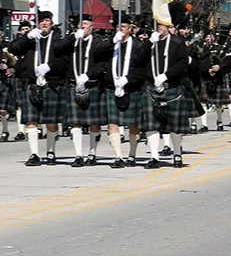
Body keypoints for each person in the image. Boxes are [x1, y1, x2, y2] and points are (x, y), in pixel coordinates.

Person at [9, 10, 72, 166]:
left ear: (51, 23)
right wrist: (27, 37)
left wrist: (49, 67)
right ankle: (34, 154)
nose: (44, 23)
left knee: (51, 121)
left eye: (47, 21)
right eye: (41, 21)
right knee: (31, 120)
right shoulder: (30, 39)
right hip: (31, 83)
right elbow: (13, 48)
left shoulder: (58, 39)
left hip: (51, 84)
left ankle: (51, 152)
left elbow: (65, 61)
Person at [142, 23, 196, 168]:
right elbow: (138, 59)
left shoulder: (177, 42)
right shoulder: (151, 42)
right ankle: (154, 156)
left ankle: (177, 154)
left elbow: (183, 63)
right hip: (151, 87)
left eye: (162, 24)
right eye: (157, 24)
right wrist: (148, 43)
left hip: (171, 86)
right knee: (151, 124)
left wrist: (166, 75)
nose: (159, 27)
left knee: (175, 125)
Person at [100, 14, 149, 168]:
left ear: (130, 29)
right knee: (112, 122)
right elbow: (96, 52)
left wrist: (128, 79)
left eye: (123, 26)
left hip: (131, 87)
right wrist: (111, 41)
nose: (119, 29)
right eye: (117, 27)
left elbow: (143, 69)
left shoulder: (138, 45)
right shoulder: (111, 44)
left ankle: (132, 155)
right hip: (112, 87)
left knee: (133, 124)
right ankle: (118, 157)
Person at [65, 14, 109, 167]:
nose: (83, 26)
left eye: (85, 23)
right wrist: (72, 38)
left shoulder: (98, 42)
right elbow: (59, 48)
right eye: (80, 24)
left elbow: (103, 63)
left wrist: (88, 75)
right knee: (75, 123)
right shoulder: (72, 41)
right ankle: (78, 155)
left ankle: (92, 153)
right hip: (74, 84)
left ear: (92, 26)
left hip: (92, 84)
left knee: (94, 123)